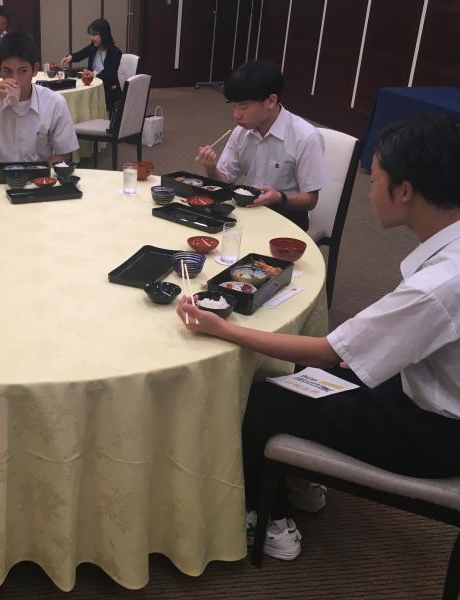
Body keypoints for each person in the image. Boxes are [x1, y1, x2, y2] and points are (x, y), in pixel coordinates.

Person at [177, 114, 460, 561]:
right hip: (433, 395)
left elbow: (327, 352)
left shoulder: (438, 286)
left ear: (405, 191)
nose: (368, 192)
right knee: (316, 373)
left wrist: (224, 328)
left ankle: (268, 520)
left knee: (264, 397)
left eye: (375, 180)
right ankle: (301, 479)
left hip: (432, 435)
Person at [195, 60, 327, 231]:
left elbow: (310, 200)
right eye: (233, 106)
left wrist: (279, 198)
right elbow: (225, 181)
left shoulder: (306, 137)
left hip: (287, 216)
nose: (236, 115)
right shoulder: (240, 132)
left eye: (243, 107)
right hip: (249, 209)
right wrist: (211, 168)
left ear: (271, 101)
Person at [0, 32, 79, 165]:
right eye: (7, 71)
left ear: (35, 69)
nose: (15, 79)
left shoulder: (53, 102)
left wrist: (40, 171)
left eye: (23, 71)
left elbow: (64, 152)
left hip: (39, 175)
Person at [59, 19, 123, 112]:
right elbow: (81, 53)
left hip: (108, 91)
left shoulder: (115, 52)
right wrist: (70, 57)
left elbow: (110, 75)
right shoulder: (93, 47)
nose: (92, 38)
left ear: (104, 34)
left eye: (95, 35)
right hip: (93, 85)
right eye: (91, 34)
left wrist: (94, 74)